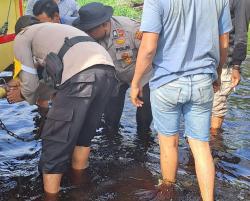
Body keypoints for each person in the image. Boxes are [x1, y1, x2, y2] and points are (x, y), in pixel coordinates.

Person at [130, 0, 232, 200]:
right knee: (201, 146)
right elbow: (224, 43)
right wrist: (217, 73)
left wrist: (136, 83)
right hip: (203, 80)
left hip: (167, 82)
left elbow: (149, 48)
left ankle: (168, 192)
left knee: (169, 144)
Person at [12, 15, 116, 194]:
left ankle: (51, 197)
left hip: (81, 75)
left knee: (54, 144)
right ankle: (80, 188)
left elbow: (29, 83)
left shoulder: (22, 37)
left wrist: (21, 94)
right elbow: (51, 83)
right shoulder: (55, 31)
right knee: (83, 136)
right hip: (107, 71)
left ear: (20, 31)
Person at [73, 2, 153, 133]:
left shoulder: (132, 29)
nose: (87, 33)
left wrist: (137, 82)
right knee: (110, 118)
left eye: (90, 29)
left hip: (141, 75)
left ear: (104, 24)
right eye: (85, 29)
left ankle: (143, 140)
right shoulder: (86, 35)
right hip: (115, 77)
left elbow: (149, 54)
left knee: (144, 117)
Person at [211, 0, 250, 134]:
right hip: (204, 62)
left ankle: (213, 147)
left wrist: (236, 66)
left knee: (217, 107)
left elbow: (241, 34)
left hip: (225, 64)